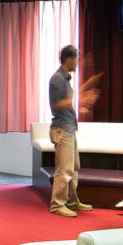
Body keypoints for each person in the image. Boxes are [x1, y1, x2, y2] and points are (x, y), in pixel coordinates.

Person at [48, 45, 100, 217]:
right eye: (77, 58)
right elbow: (56, 105)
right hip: (62, 129)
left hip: (68, 128)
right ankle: (57, 204)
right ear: (69, 59)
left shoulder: (65, 79)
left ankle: (71, 201)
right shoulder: (57, 79)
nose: (77, 62)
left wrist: (80, 101)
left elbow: (66, 103)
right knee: (64, 170)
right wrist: (80, 98)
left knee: (74, 167)